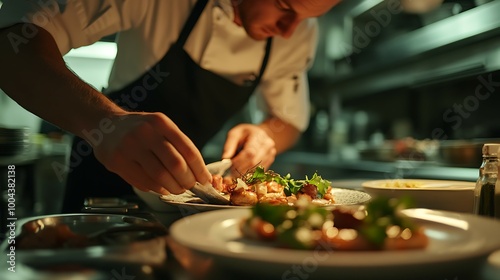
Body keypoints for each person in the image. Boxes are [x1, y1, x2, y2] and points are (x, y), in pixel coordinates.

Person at [0, 0, 341, 212]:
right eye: (284, 5)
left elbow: (288, 120)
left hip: (188, 209)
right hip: (104, 198)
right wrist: (104, 123)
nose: (288, 31)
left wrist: (266, 134)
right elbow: (11, 46)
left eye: (305, 18)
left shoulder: (296, 32)